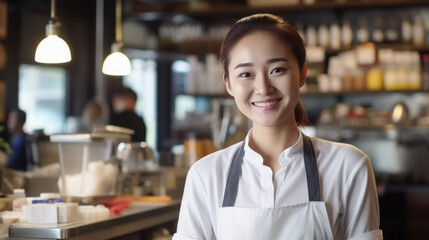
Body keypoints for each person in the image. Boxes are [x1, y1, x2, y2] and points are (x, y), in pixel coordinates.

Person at [173, 14, 382, 240]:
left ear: (301, 74)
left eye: (277, 70)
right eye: (246, 74)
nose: (263, 88)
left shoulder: (348, 165)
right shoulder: (206, 175)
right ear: (229, 85)